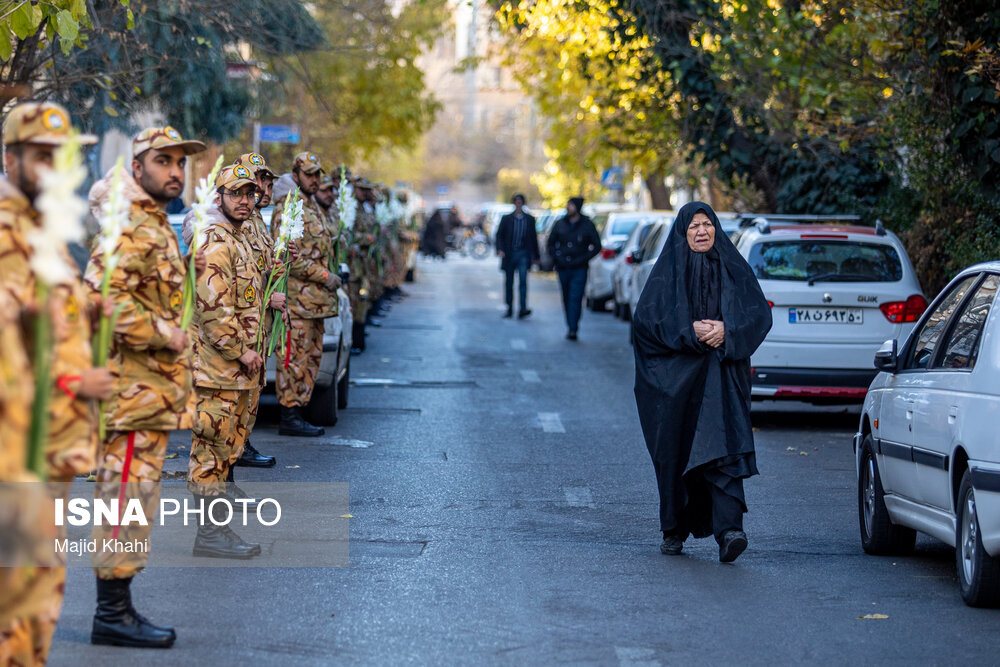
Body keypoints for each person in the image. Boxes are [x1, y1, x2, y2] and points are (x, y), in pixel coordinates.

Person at [85, 125, 208, 647]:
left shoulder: (153, 223)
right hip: (130, 396)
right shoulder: (128, 225)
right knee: (123, 502)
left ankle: (119, 607)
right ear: (137, 169)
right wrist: (168, 334)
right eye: (163, 161)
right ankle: (112, 615)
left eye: (180, 163)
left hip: (150, 395)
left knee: (137, 501)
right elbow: (100, 302)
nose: (175, 171)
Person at [0, 101, 109, 664]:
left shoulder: (46, 235)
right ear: (11, 157)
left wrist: (91, 310)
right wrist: (73, 382)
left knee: (37, 617)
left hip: (53, 458)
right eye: (40, 155)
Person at [631, 202, 772, 563]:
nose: (701, 231)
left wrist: (728, 330)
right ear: (683, 232)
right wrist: (688, 331)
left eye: (707, 224)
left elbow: (759, 314)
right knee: (675, 453)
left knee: (724, 449)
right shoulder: (666, 274)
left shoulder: (733, 267)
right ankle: (673, 531)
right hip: (676, 385)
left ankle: (730, 531)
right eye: (693, 226)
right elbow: (646, 326)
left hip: (722, 378)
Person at [187, 165, 281, 558]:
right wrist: (240, 351)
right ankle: (209, 536)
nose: (245, 200)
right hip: (218, 370)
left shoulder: (240, 237)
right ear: (219, 197)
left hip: (241, 371)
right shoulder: (213, 241)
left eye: (249, 194)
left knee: (228, 451)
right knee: (210, 453)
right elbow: (214, 310)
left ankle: (218, 531)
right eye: (235, 194)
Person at [269, 152, 340, 436]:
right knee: (293, 358)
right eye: (309, 174)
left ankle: (300, 411)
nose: (315, 180)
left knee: (311, 358)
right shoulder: (289, 207)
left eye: (318, 174)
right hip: (298, 302)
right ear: (296, 175)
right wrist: (325, 276)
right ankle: (289, 416)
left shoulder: (313, 207)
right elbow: (288, 256)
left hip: (317, 304)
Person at [232, 152, 279, 468]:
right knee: (238, 393)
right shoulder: (240, 221)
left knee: (253, 389)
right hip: (243, 321)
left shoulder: (258, 219)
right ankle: (235, 452)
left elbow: (259, 266)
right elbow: (239, 278)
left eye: (267, 180)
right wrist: (268, 295)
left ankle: (241, 445)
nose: (264, 186)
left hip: (258, 320)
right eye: (260, 179)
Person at [546, 197, 601, 340]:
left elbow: (596, 246)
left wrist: (583, 258)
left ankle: (573, 328)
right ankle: (570, 324)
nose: (568, 207)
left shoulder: (587, 224)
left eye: (571, 205)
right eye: (568, 204)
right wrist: (557, 257)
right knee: (566, 296)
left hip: (579, 268)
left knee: (576, 297)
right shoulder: (560, 224)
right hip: (563, 267)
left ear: (577, 207)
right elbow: (551, 243)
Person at [495, 194, 539, 319]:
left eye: (520, 202)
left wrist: (536, 256)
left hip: (523, 254)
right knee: (509, 282)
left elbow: (533, 238)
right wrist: (500, 249)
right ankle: (509, 307)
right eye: (517, 202)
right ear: (514, 203)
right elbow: (500, 236)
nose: (518, 204)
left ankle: (523, 308)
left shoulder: (529, 220)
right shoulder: (507, 219)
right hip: (510, 254)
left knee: (523, 281)